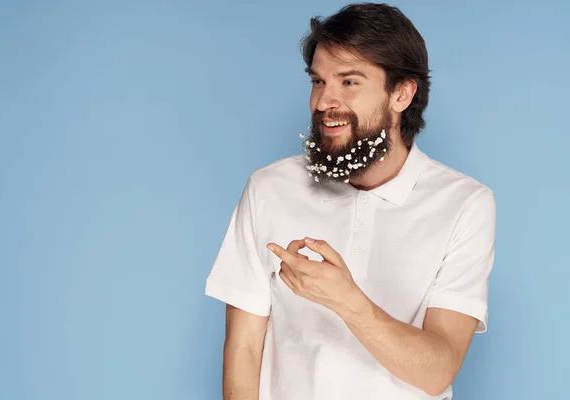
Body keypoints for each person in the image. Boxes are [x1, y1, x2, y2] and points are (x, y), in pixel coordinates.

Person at [204, 3, 496, 399]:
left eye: (349, 82)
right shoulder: (268, 188)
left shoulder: (465, 204)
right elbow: (243, 348)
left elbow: (438, 370)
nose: (325, 102)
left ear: (402, 93)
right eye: (318, 82)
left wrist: (347, 301)